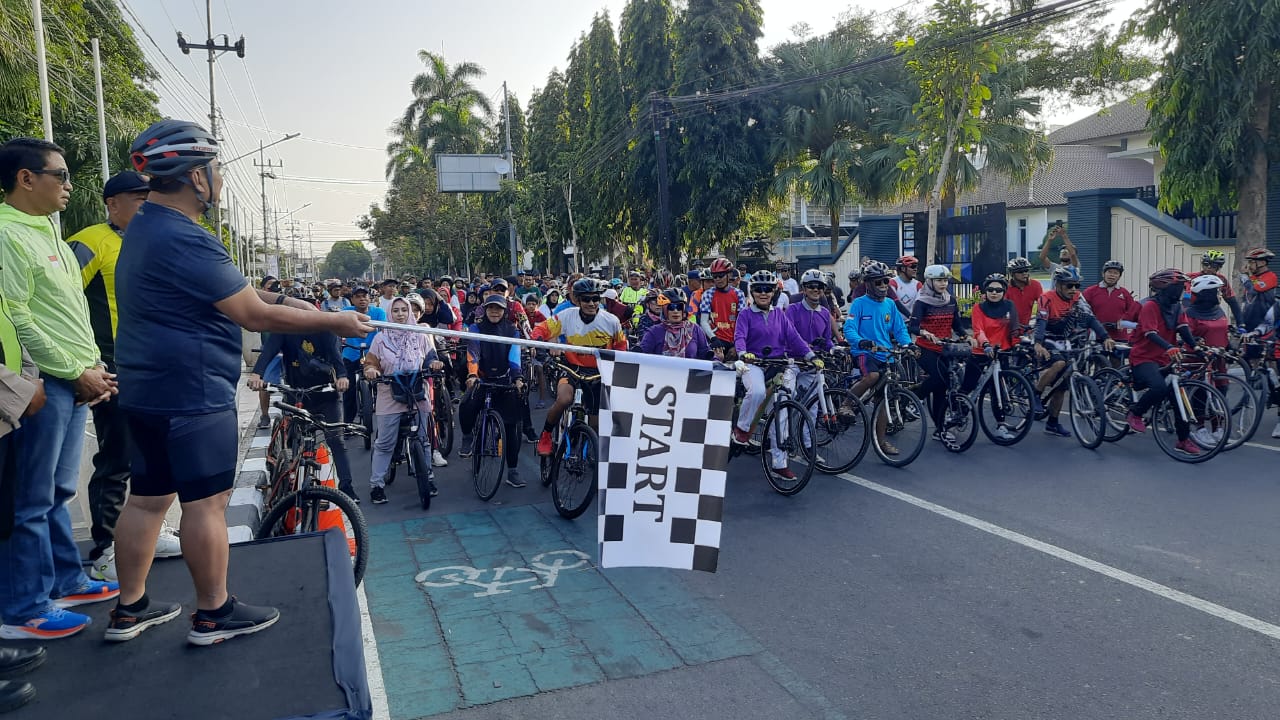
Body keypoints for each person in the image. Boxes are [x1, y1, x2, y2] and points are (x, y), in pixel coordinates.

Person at [108, 119, 373, 645]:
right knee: (204, 505)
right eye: (216, 170)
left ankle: (130, 608)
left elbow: (238, 295)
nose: (221, 180)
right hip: (193, 394)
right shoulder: (187, 238)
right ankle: (213, 613)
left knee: (146, 500)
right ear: (196, 178)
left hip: (145, 392)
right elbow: (251, 314)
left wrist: (292, 301)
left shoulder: (144, 227)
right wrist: (334, 321)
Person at [0, 138, 120, 640]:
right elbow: (17, 316)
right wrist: (72, 371)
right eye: (60, 175)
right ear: (26, 178)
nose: (69, 186)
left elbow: (71, 311)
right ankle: (25, 605)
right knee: (30, 497)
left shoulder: (50, 231)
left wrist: (90, 364)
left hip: (74, 376)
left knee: (59, 491)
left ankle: (66, 579)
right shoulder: (7, 233)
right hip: (41, 382)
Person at [65, 171, 182, 580]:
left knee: (153, 454)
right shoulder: (89, 241)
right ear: (112, 204)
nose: (146, 206)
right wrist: (84, 362)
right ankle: (106, 548)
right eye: (137, 199)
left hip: (155, 365)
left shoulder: (154, 241)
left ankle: (154, 531)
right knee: (117, 457)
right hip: (111, 365)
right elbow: (60, 300)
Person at [247, 327, 357, 500]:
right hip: (296, 393)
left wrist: (342, 376)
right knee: (293, 440)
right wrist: (257, 374)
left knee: (336, 440)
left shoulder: (325, 330)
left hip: (326, 394)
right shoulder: (284, 328)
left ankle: (346, 487)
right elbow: (268, 351)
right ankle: (289, 478)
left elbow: (336, 357)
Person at [732, 270, 821, 480]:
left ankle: (779, 464)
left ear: (774, 292)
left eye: (768, 289)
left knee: (781, 411)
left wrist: (810, 355)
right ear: (752, 291)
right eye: (759, 289)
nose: (764, 293)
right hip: (754, 363)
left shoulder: (780, 314)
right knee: (757, 392)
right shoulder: (745, 314)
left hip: (779, 364)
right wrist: (744, 353)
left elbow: (794, 338)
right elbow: (740, 337)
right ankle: (742, 430)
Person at [531, 277, 628, 455]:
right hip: (571, 369)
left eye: (596, 299)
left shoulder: (611, 321)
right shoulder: (567, 316)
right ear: (577, 300)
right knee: (564, 400)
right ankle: (545, 434)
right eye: (586, 299)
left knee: (595, 422)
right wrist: (537, 342)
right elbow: (542, 329)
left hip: (598, 373)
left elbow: (621, 346)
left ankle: (590, 447)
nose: (591, 303)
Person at [362, 297, 441, 504]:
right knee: (385, 443)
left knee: (423, 440)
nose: (400, 314)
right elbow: (371, 363)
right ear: (390, 314)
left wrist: (434, 364)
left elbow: (431, 357)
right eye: (395, 311)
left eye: (403, 310)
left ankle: (428, 478)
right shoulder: (380, 339)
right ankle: (377, 485)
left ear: (410, 313)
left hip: (417, 392)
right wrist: (371, 371)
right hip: (390, 392)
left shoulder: (420, 335)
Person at [1124, 269, 1201, 454]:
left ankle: (1183, 440)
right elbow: (1150, 333)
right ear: (1166, 288)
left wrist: (1196, 348)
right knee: (1159, 387)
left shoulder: (1177, 307)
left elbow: (1183, 329)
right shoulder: (1150, 306)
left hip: (1165, 358)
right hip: (1144, 357)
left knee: (1178, 398)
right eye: (1179, 286)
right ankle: (1135, 413)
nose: (1182, 290)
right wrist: (1169, 347)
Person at [1032, 265, 1113, 438]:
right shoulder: (1046, 297)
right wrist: (1038, 343)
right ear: (1058, 284)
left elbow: (1090, 319)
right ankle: (1036, 394)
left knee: (1062, 386)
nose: (1074, 289)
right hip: (1047, 338)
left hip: (1066, 340)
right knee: (1059, 363)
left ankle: (1052, 423)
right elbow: (1041, 322)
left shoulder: (1077, 298)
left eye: (1077, 285)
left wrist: (1105, 336)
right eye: (1069, 286)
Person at [844, 261, 913, 455]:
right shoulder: (858, 304)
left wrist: (909, 344)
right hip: (865, 353)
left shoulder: (890, 304)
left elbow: (899, 329)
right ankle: (847, 404)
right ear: (868, 284)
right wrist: (861, 342)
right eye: (878, 282)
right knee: (872, 376)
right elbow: (849, 328)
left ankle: (881, 442)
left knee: (882, 398)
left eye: (886, 281)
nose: (883, 285)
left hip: (885, 353)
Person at [458, 295, 527, 486]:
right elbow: (473, 353)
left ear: (505, 311)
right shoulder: (476, 328)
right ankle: (467, 437)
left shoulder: (512, 330)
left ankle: (512, 471)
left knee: (511, 427)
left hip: (505, 379)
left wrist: (518, 377)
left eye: (498, 309)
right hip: (481, 378)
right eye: (491, 309)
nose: (494, 312)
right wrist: (472, 375)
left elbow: (514, 356)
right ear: (485, 310)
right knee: (466, 405)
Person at [910, 265, 978, 450]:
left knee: (943, 387)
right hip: (925, 348)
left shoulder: (951, 300)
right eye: (939, 280)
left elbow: (957, 325)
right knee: (940, 380)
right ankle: (914, 397)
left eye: (945, 280)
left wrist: (967, 337)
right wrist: (925, 332)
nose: (943, 284)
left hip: (944, 348)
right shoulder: (922, 301)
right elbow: (913, 327)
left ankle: (940, 429)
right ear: (930, 282)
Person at [969, 273, 1022, 441]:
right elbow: (978, 330)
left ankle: (1000, 425)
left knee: (997, 391)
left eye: (998, 290)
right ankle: (954, 416)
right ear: (985, 291)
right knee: (968, 387)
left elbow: (1014, 329)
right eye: (990, 289)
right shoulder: (979, 308)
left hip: (1001, 354)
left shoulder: (1009, 306)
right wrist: (985, 344)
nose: (994, 292)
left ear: (1004, 291)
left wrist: (1018, 344)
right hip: (981, 353)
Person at [1183, 274, 1231, 446]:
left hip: (1219, 360)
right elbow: (1187, 335)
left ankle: (1218, 427)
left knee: (1221, 392)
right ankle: (1199, 427)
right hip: (1199, 360)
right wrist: (1198, 344)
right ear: (1206, 294)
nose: (1219, 295)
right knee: (1201, 395)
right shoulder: (1191, 314)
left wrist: (1230, 347)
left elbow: (1223, 332)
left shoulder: (1219, 311)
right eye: (1216, 291)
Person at [340, 286, 385, 425]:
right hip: (351, 353)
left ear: (369, 298)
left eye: (364, 296)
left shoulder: (378, 312)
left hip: (373, 354)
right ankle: (348, 424)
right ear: (352, 299)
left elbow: (383, 332)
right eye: (358, 296)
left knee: (384, 386)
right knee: (349, 390)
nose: (362, 299)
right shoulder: (346, 312)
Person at [639, 288, 711, 359]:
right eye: (671, 307)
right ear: (664, 310)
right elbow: (640, 355)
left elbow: (706, 354)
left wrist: (717, 361)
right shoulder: (654, 332)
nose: (675, 311)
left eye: (679, 307)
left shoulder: (695, 329)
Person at [699, 257, 746, 359]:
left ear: (729, 275)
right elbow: (704, 321)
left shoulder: (739, 294)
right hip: (716, 339)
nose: (717, 279)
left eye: (721, 276)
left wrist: (736, 345)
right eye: (714, 276)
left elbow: (742, 321)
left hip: (735, 339)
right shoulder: (708, 294)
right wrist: (713, 339)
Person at [1082, 260, 1139, 342]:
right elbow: (1082, 313)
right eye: (1109, 272)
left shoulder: (1125, 293)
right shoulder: (1090, 291)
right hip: (1097, 337)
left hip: (1120, 338)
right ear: (1103, 274)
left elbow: (1133, 314)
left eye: (1116, 273)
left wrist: (1123, 322)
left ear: (1119, 276)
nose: (1112, 275)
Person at [1186, 250, 1243, 325]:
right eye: (1206, 264)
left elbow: (1232, 302)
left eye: (1213, 266)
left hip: (1213, 312)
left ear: (1219, 267)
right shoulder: (1190, 277)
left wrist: (1241, 323)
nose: (1209, 268)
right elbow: (1185, 298)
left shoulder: (1222, 280)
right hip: (1192, 311)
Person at [1005, 256, 1042, 329]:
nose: (1024, 273)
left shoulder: (1035, 285)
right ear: (1012, 273)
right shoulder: (1006, 287)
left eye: (1026, 270)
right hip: (1009, 326)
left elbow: (1042, 304)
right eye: (1020, 271)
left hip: (1027, 327)